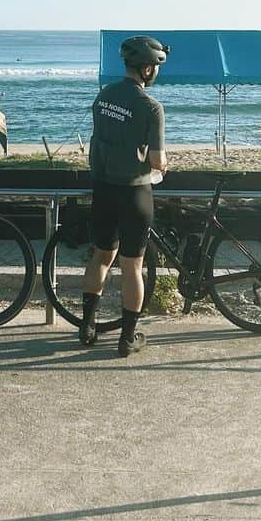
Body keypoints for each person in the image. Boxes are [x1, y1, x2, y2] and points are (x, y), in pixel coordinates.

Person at [80, 34, 169, 358]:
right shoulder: (151, 107)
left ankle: (87, 326)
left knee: (101, 257)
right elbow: (157, 159)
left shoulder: (104, 95)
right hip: (135, 193)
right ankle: (127, 338)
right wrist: (163, 164)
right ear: (147, 69)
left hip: (102, 189)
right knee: (133, 266)